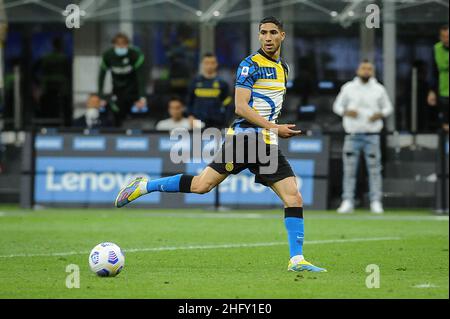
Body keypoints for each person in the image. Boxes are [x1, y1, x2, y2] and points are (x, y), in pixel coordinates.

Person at [114, 17, 326, 273]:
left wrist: (274, 129)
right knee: (202, 186)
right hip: (245, 139)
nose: (268, 37)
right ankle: (144, 186)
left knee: (294, 197)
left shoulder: (284, 68)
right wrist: (274, 128)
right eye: (263, 33)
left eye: (272, 33)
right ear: (258, 36)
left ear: (283, 35)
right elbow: (240, 107)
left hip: (266, 143)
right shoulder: (249, 66)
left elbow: (269, 108)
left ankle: (297, 260)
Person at [333, 61, 393, 214]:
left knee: (374, 170)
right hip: (352, 134)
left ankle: (376, 201)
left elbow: (388, 108)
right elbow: (337, 106)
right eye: (364, 68)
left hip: (372, 134)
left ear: (372, 71)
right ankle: (348, 201)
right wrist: (346, 111)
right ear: (357, 70)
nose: (366, 71)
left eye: (369, 69)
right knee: (349, 170)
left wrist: (380, 114)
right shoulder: (349, 87)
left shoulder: (379, 88)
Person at [97, 33, 147, 127]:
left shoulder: (135, 54)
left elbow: (141, 77)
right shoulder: (108, 55)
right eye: (118, 44)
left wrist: (142, 97)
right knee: (116, 114)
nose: (121, 46)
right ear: (113, 44)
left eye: (123, 44)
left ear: (127, 44)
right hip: (117, 91)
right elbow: (101, 77)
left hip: (133, 91)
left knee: (135, 117)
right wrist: (101, 96)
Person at [186, 53, 233, 129]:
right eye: (207, 63)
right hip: (198, 122)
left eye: (212, 63)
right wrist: (190, 116)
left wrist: (225, 121)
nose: (210, 66)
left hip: (217, 123)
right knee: (197, 140)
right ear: (202, 64)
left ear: (216, 64)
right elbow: (189, 102)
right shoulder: (194, 82)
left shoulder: (222, 84)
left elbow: (228, 105)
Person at [33, 37, 71, 126]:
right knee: (60, 110)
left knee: (47, 109)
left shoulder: (46, 57)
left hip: (47, 88)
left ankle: (46, 125)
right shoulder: (64, 58)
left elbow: (33, 70)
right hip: (61, 89)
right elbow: (69, 73)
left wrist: (39, 82)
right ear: (60, 46)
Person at [427, 25, 449, 132]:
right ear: (440, 37)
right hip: (443, 90)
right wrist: (431, 91)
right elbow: (432, 71)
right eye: (444, 37)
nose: (446, 39)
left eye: (448, 37)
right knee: (445, 125)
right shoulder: (436, 49)